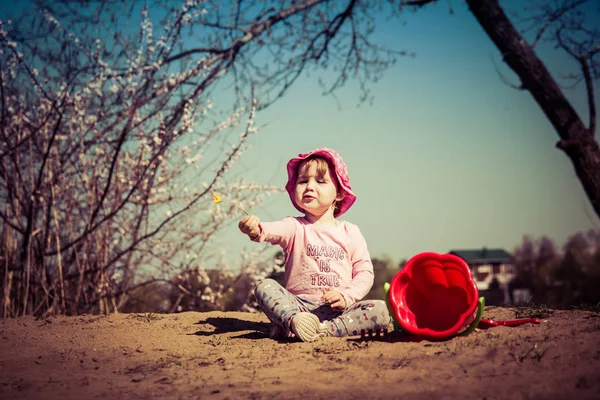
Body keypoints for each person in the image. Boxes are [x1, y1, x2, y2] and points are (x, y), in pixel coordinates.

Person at [238, 147, 391, 342]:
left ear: (339, 194)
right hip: (298, 306)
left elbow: (364, 272)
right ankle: (293, 321)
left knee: (382, 310)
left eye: (320, 181)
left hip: (339, 311)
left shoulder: (350, 232)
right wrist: (255, 228)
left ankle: (322, 330)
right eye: (303, 181)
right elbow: (270, 230)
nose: (309, 186)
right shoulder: (294, 226)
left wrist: (347, 296)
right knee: (264, 287)